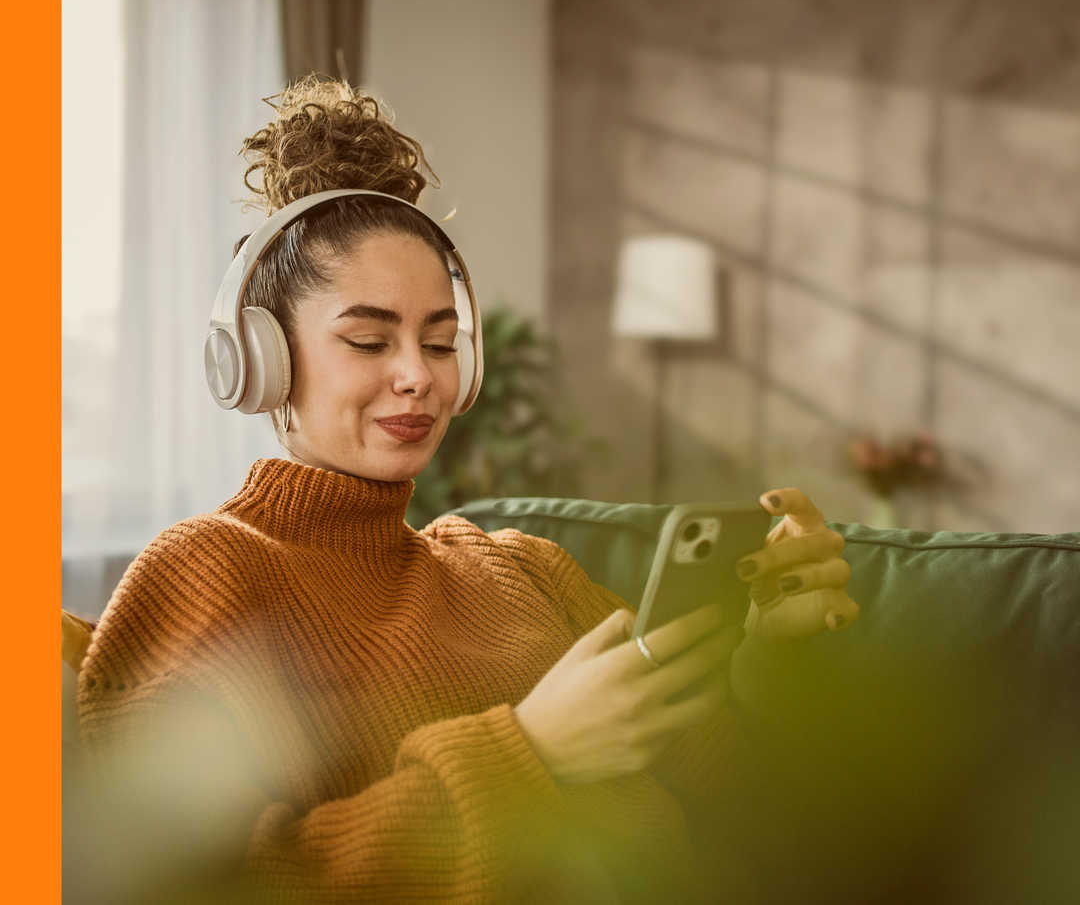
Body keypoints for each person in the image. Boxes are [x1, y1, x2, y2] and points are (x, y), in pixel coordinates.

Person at [76, 76, 858, 904]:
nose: (417, 376)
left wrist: (774, 656)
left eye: (441, 343)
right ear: (261, 362)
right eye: (370, 340)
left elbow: (746, 806)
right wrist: (529, 751)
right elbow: (202, 886)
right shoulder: (203, 574)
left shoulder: (524, 569)